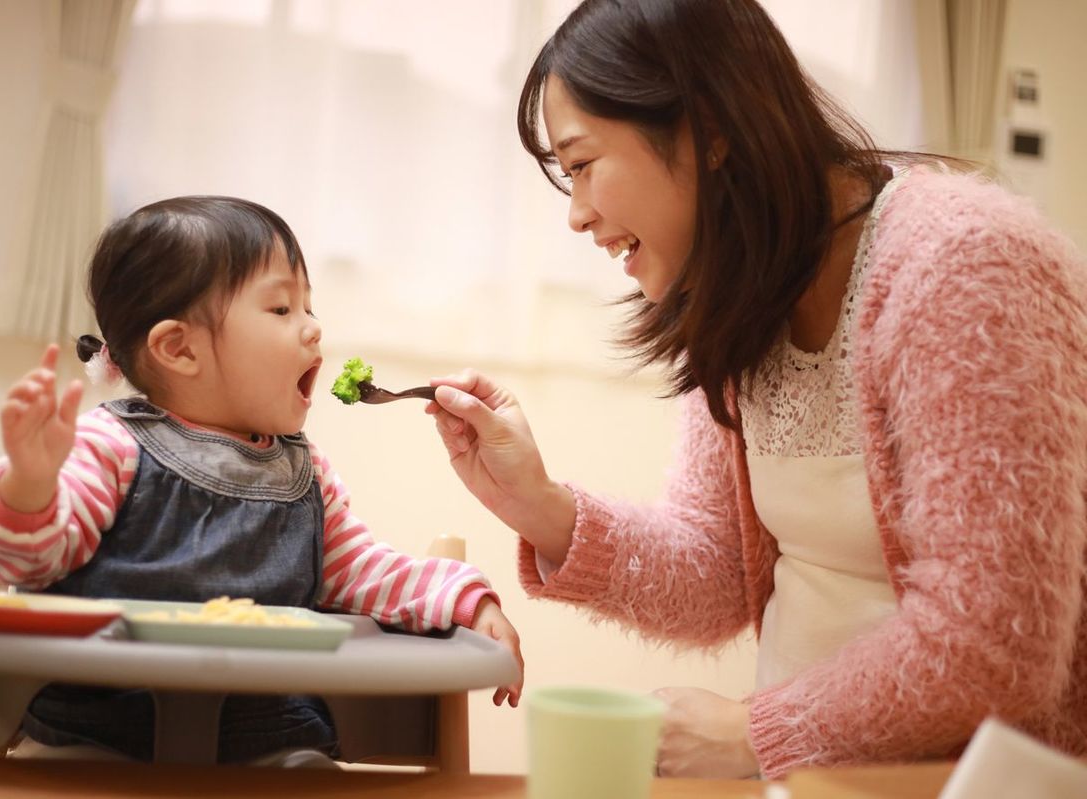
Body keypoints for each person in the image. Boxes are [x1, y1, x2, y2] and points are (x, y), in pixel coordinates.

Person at [425, 0, 1087, 781]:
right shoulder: (740, 291)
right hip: (810, 778)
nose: (575, 215)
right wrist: (541, 506)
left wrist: (752, 731)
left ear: (707, 129)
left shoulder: (965, 266)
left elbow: (995, 643)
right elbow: (717, 574)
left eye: (581, 164)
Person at [0, 195, 524, 765]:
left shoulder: (303, 472)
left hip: (265, 741)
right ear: (179, 348)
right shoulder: (109, 447)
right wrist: (30, 485)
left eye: (309, 307)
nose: (313, 329)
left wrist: (466, 601)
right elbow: (26, 561)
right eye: (282, 310)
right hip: (96, 734)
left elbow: (360, 570)